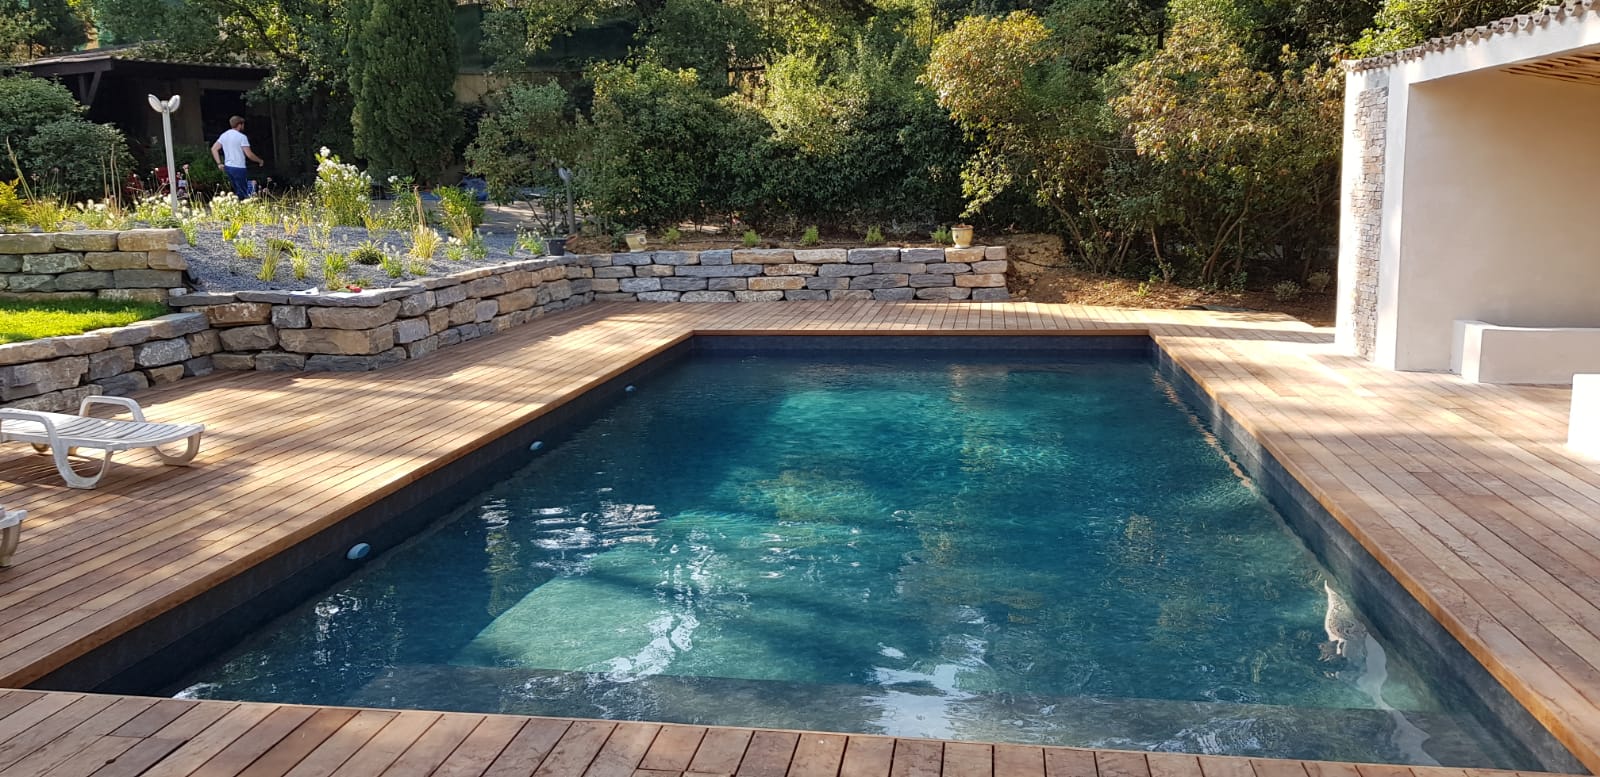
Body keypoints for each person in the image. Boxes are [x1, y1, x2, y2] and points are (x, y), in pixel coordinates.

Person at [210, 115, 264, 199]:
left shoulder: (224, 135)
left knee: (237, 190)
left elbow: (214, 149)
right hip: (239, 167)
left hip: (228, 167)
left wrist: (219, 163)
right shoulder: (242, 137)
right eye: (243, 124)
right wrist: (259, 160)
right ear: (239, 125)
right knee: (244, 192)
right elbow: (249, 154)